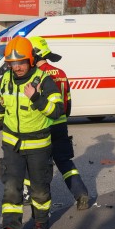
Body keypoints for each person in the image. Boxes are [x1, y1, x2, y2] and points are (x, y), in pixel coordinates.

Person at [0, 36, 64, 229]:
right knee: (12, 187)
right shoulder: (5, 80)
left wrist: (37, 98)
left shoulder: (44, 80)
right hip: (12, 144)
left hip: (38, 145)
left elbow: (57, 110)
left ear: (30, 60)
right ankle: (11, 228)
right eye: (13, 63)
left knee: (39, 187)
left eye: (21, 62)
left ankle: (40, 221)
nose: (17, 68)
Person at [28, 36, 89, 210]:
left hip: (42, 125)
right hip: (61, 124)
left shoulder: (36, 76)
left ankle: (35, 201)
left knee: (36, 163)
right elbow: (67, 103)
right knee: (64, 162)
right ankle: (81, 194)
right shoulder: (61, 73)